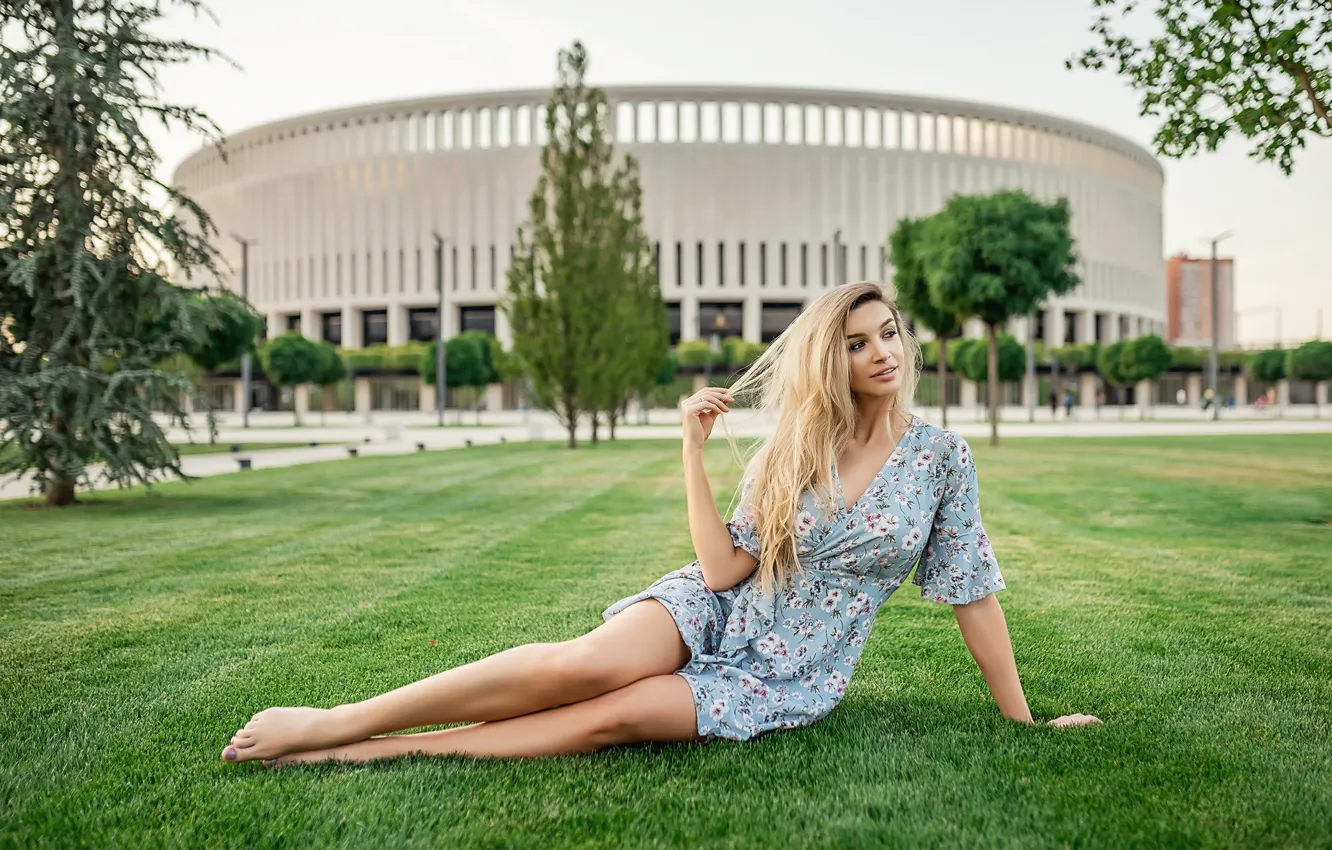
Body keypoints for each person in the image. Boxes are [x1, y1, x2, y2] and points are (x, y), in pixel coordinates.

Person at [220, 282, 1100, 768]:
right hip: (718, 609)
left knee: (620, 715)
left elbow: (971, 594)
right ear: (829, 358)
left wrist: (1022, 722)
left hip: (794, 671)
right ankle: (340, 719)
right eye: (858, 341)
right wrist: (692, 446)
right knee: (584, 665)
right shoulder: (797, 447)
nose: (884, 353)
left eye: (891, 333)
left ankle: (369, 756)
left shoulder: (942, 458)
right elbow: (722, 571)